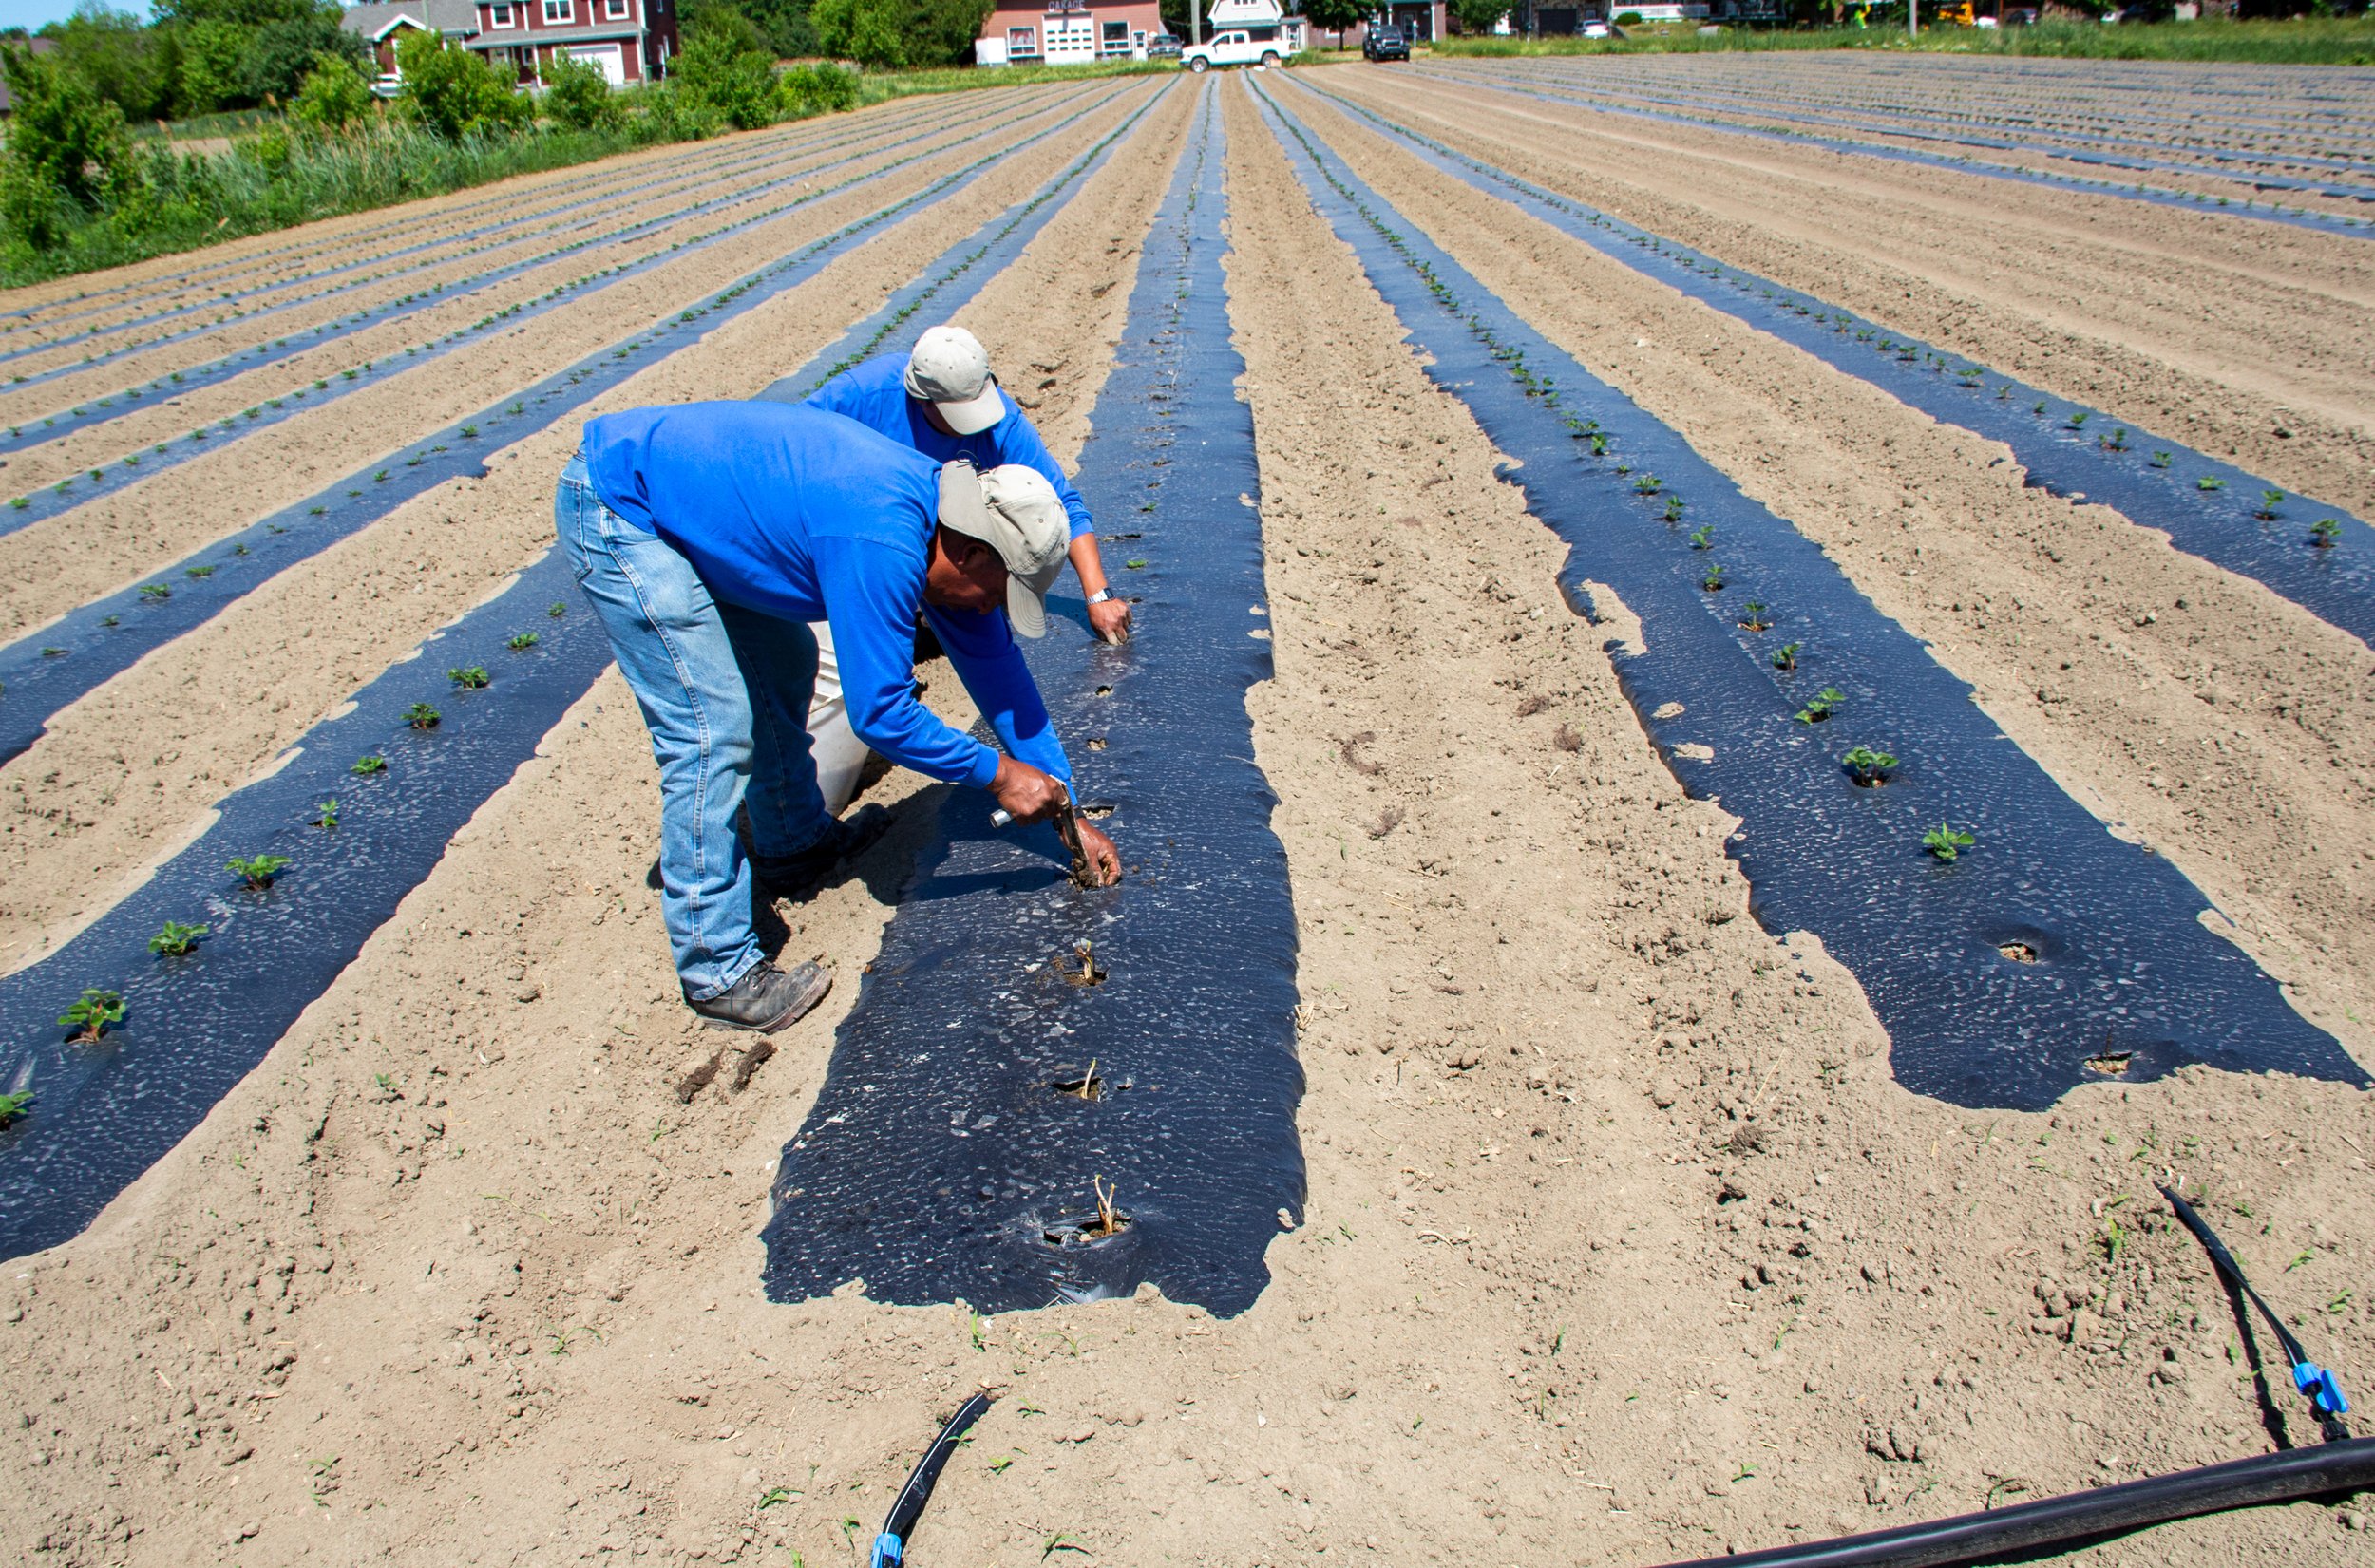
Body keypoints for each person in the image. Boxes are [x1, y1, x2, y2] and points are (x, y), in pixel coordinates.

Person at [559, 401, 1123, 1034]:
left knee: (786, 659)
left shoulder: (952, 536)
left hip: (698, 509)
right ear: (969, 552)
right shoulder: (882, 539)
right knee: (710, 727)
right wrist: (1000, 775)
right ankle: (714, 967)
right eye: (998, 594)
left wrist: (1066, 811)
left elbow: (1007, 688)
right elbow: (880, 712)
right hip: (625, 506)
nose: (992, 608)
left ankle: (793, 844)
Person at [805, 324, 1133, 646]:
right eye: (958, 416)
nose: (974, 426)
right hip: (862, 535)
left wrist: (1097, 595)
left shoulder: (1001, 423)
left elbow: (1063, 505)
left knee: (971, 608)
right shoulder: (865, 395)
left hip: (947, 550)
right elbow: (797, 455)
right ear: (922, 400)